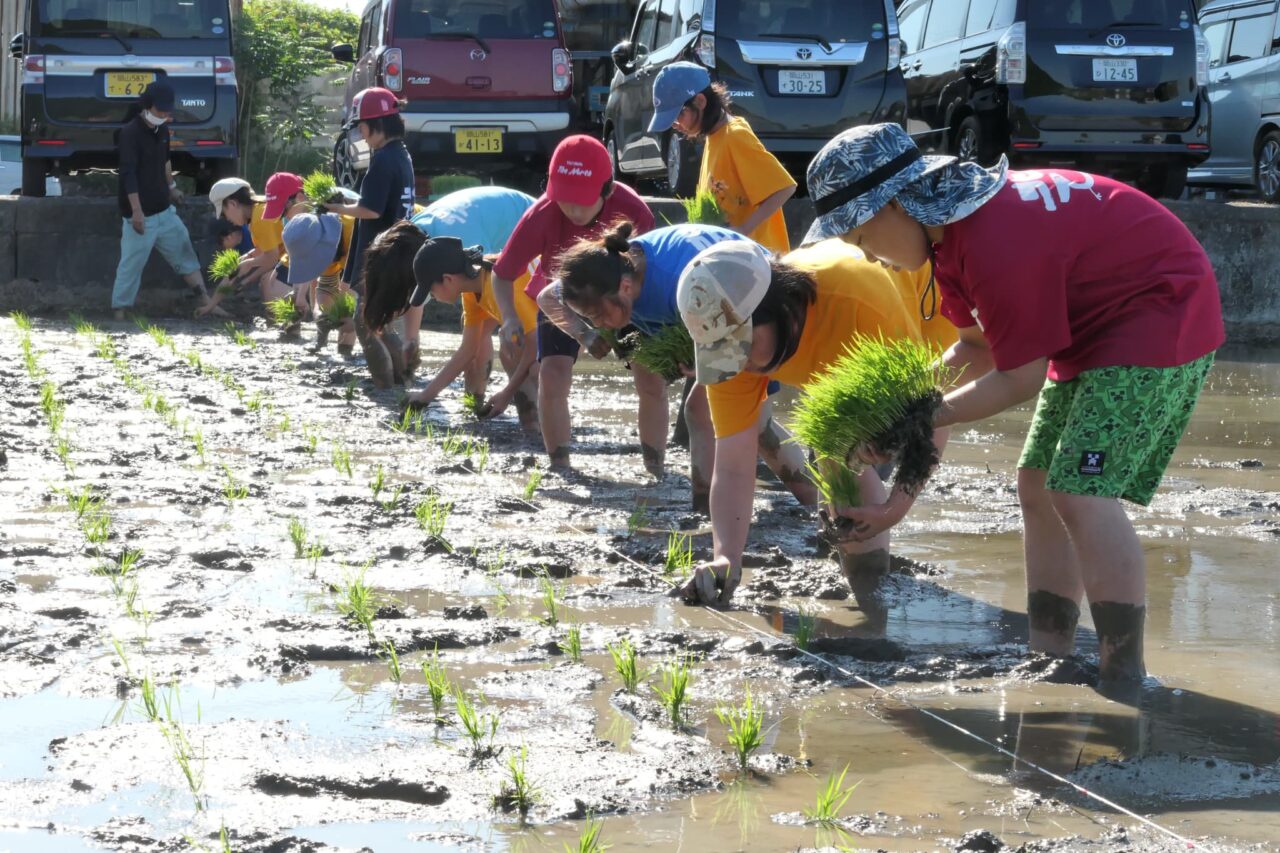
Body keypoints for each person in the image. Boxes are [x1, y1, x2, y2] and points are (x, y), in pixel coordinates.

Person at [804, 123, 1224, 687]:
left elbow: (1018, 377)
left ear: (896, 203)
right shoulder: (947, 237)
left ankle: (1123, 670)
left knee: (1079, 488)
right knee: (1038, 482)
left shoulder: (990, 237)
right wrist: (894, 404)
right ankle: (1051, 651)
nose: (869, 258)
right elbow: (974, 348)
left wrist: (920, 420)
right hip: (1095, 328)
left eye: (859, 238)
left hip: (1160, 308)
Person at [672, 238, 957, 607]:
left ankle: (871, 595)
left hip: (922, 308)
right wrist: (727, 556)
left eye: (741, 346)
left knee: (866, 450)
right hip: (837, 344)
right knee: (834, 451)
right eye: (723, 351)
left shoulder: (859, 306)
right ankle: (865, 594)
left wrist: (895, 507)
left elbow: (935, 412)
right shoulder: (734, 354)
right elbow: (733, 466)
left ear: (781, 309)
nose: (737, 363)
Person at [542, 222, 810, 511]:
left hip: (753, 303)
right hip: (706, 307)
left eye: (598, 316)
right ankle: (682, 487)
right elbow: (547, 297)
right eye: (589, 318)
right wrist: (586, 334)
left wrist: (702, 360)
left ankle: (805, 503)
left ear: (626, 287)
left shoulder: (676, 283)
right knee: (704, 407)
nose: (598, 324)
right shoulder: (597, 276)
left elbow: (723, 328)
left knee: (733, 417)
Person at [490, 135, 656, 470]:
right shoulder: (542, 214)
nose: (573, 211)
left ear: (607, 190)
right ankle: (560, 465)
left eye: (582, 201)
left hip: (622, 296)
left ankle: (656, 467)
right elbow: (502, 272)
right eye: (565, 201)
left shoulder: (635, 211)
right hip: (561, 298)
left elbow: (649, 275)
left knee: (648, 377)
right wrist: (508, 318)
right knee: (552, 374)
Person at [649, 62, 795, 255]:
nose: (674, 124)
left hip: (758, 263)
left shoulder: (734, 136)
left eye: (678, 114)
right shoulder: (713, 136)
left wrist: (743, 230)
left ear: (700, 101)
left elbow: (784, 188)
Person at [406, 233, 541, 429]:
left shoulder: (499, 285)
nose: (432, 297)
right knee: (512, 351)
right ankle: (535, 427)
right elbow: (468, 351)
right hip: (548, 333)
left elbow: (535, 344)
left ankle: (538, 431)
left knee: (517, 354)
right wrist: (425, 397)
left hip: (572, 328)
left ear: (448, 279)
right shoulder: (473, 290)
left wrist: (507, 392)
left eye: (431, 291)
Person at [111, 81, 219, 320]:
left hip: (164, 211)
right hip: (140, 216)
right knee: (131, 265)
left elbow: (165, 162)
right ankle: (120, 310)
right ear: (147, 107)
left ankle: (206, 301)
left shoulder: (162, 131)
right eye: (161, 111)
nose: (165, 116)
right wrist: (136, 212)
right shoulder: (130, 133)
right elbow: (128, 174)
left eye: (168, 112)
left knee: (185, 254)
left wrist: (172, 189)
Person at [325, 87, 415, 372]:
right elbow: (380, 203)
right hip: (398, 250)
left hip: (381, 254)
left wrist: (335, 208)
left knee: (368, 322)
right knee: (377, 320)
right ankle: (401, 377)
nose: (361, 134)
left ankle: (388, 383)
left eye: (361, 127)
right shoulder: (401, 155)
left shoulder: (383, 159)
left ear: (375, 125)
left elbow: (371, 210)